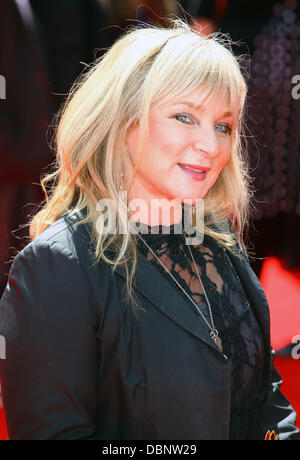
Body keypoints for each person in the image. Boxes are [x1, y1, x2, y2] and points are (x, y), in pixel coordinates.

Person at [0, 18, 299, 441]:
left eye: (223, 126)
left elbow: (265, 399)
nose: (212, 146)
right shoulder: (57, 267)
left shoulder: (217, 239)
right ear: (123, 123)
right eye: (184, 117)